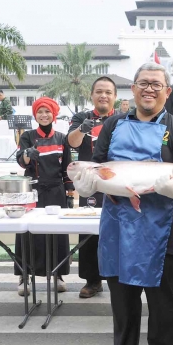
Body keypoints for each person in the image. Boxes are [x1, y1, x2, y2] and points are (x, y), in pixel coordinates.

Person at [72, 62, 173, 345]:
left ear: (167, 91)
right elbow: (99, 167)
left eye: (156, 84)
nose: (149, 89)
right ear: (133, 88)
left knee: (162, 300)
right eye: (143, 83)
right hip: (117, 224)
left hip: (160, 227)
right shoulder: (113, 124)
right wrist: (88, 183)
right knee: (122, 297)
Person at [14, 97, 74, 296]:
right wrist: (27, 155)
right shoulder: (28, 137)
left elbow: (67, 167)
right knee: (28, 232)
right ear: (35, 115)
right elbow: (22, 163)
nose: (44, 115)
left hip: (56, 191)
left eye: (47, 111)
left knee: (57, 234)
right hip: (33, 190)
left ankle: (58, 274)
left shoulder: (62, 137)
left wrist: (70, 192)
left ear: (54, 114)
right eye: (40, 112)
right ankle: (24, 276)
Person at [67, 76, 116, 298]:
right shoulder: (81, 117)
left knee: (117, 227)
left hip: (116, 179)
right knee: (89, 230)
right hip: (89, 183)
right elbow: (72, 142)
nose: (103, 95)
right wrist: (82, 130)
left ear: (114, 96)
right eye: (99, 91)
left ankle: (118, 279)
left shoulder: (124, 118)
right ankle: (92, 280)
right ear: (92, 95)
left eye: (108, 92)